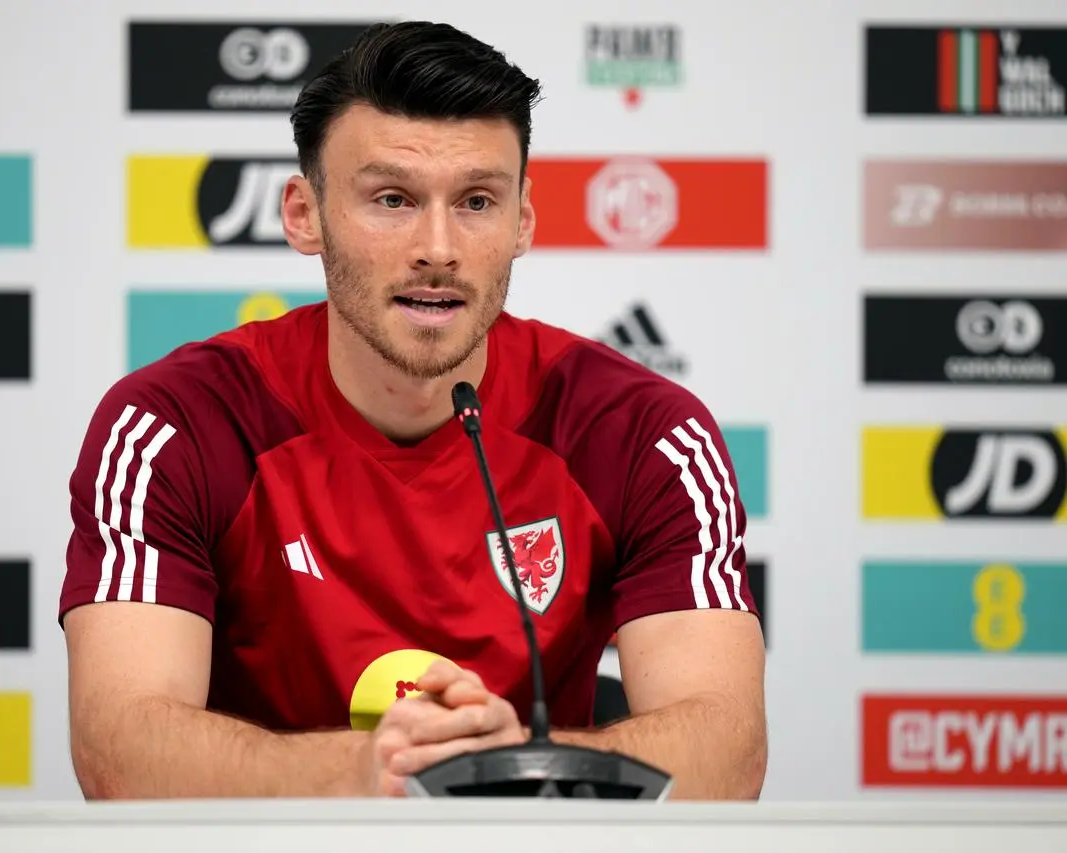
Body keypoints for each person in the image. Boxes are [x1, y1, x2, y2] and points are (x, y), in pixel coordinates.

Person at [59, 20, 766, 800]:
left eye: (476, 201)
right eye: (392, 198)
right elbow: (117, 753)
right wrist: (363, 773)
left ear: (523, 221)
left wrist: (511, 764)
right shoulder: (176, 424)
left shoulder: (643, 433)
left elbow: (728, 753)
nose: (439, 246)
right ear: (303, 214)